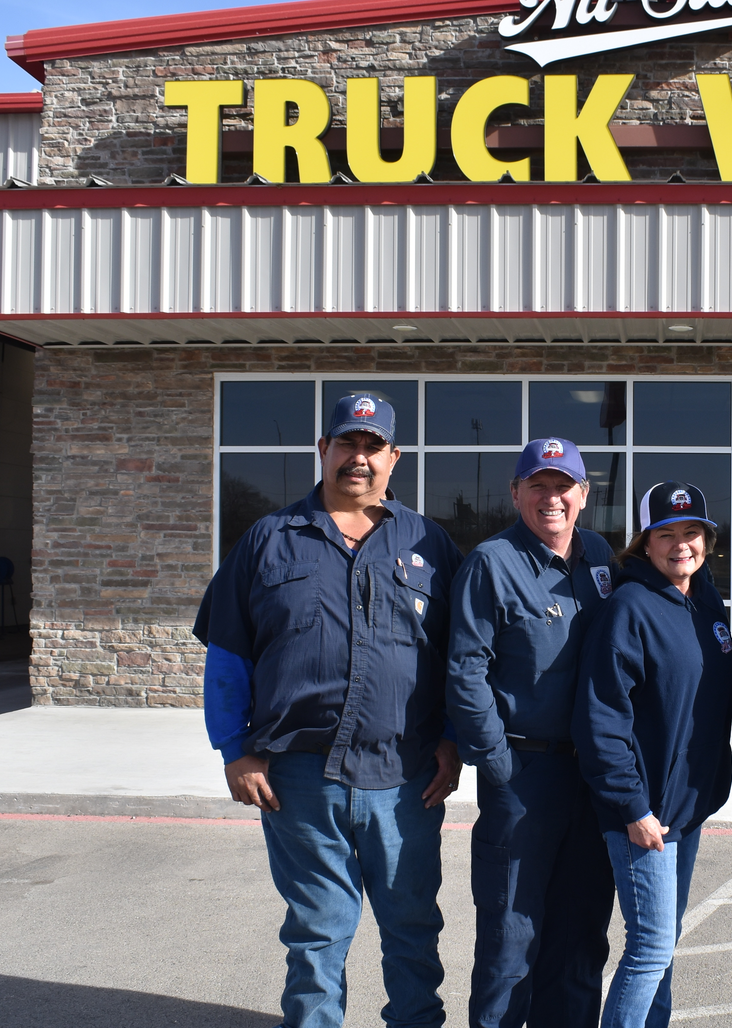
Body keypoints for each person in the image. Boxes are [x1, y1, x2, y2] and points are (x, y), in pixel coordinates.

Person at [195, 393, 464, 1028]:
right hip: (298, 779)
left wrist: (453, 739)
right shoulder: (269, 539)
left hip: (405, 778)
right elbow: (228, 655)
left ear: (395, 458)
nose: (359, 458)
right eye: (347, 444)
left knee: (413, 930)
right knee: (316, 938)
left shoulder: (430, 542)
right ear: (323, 451)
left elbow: (460, 655)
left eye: (373, 447)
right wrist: (235, 748)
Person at [446, 436, 618, 1028]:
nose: (552, 498)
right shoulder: (491, 563)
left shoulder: (600, 556)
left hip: (592, 778)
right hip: (524, 777)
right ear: (516, 491)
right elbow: (465, 670)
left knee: (580, 937)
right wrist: (496, 763)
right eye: (537, 485)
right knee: (510, 939)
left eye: (563, 486)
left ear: (584, 495)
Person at [573, 481, 732, 1028]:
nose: (681, 544)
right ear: (643, 543)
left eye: (692, 532)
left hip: (685, 809)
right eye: (665, 533)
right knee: (649, 948)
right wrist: (632, 807)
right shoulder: (628, 606)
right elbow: (601, 718)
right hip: (644, 814)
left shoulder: (706, 602)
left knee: (663, 945)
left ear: (708, 541)